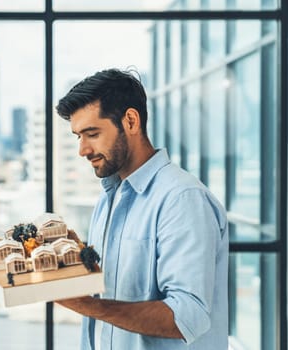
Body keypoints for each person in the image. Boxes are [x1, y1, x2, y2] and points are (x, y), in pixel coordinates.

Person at [54, 68, 229, 349]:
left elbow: (187, 316)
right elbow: (113, 285)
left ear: (131, 121)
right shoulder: (108, 197)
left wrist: (84, 305)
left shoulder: (182, 199)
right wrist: (80, 263)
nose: (83, 150)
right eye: (78, 137)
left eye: (92, 133)